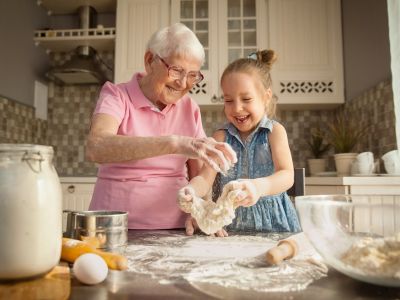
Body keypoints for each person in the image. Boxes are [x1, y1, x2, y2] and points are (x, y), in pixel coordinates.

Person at [86, 23, 237, 232]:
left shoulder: (189, 107)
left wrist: (202, 211)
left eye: (193, 75)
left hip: (177, 229)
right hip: (114, 228)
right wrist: (173, 143)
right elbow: (97, 146)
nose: (183, 83)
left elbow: (198, 176)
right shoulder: (116, 95)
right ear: (150, 61)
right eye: (176, 70)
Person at [178, 49, 301, 236]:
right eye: (228, 100)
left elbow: (286, 175)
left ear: (266, 97)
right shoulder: (220, 137)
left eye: (246, 99)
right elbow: (205, 178)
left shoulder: (274, 132)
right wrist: (192, 190)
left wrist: (259, 187)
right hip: (229, 230)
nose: (237, 108)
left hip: (275, 228)